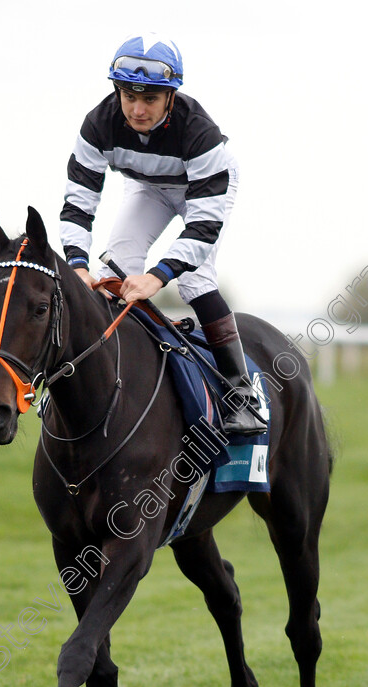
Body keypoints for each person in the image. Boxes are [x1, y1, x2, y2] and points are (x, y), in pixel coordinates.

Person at [60, 33, 266, 435]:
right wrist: (77, 263)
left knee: (193, 280)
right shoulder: (97, 124)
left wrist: (159, 275)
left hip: (201, 189)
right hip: (147, 185)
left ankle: (242, 395)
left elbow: (203, 226)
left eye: (150, 99)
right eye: (128, 96)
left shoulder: (200, 133)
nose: (137, 110)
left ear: (171, 96)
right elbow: (78, 203)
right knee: (113, 267)